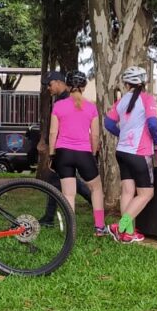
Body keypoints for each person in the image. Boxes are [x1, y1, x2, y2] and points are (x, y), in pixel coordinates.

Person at [104, 66, 157, 243]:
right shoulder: (147, 99)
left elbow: (108, 123)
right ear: (144, 82)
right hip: (139, 152)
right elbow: (152, 124)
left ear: (127, 83)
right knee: (146, 193)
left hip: (122, 151)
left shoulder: (121, 101)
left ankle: (128, 234)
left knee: (128, 191)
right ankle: (120, 226)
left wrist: (121, 134)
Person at [49, 70, 108, 235]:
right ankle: (99, 227)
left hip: (63, 153)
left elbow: (53, 133)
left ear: (67, 85)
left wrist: (52, 155)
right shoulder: (91, 107)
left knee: (69, 193)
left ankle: (71, 231)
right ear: (84, 86)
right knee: (96, 189)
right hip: (84, 153)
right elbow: (95, 135)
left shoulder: (58, 106)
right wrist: (93, 154)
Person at [37, 70, 92, 224]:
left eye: (50, 84)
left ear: (59, 82)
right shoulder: (61, 100)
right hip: (66, 148)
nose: (48, 87)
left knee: (64, 182)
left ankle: (50, 218)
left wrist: (53, 152)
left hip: (66, 148)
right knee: (58, 181)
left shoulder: (67, 100)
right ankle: (49, 218)